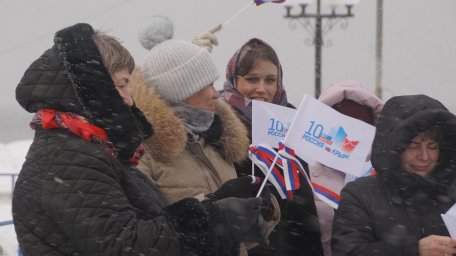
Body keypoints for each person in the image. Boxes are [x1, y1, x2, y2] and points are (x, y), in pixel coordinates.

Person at [13, 23, 268, 256]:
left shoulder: (95, 149)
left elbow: (147, 221)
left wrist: (213, 204)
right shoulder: (66, 159)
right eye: (123, 84)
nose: (129, 98)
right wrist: (214, 218)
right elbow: (125, 245)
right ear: (96, 86)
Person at [134, 17, 279, 255]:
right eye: (207, 85)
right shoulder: (145, 150)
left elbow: (238, 240)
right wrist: (214, 209)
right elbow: (147, 236)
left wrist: (262, 211)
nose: (216, 94)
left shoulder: (215, 139)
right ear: (181, 91)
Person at [220, 37, 324, 256]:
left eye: (270, 80)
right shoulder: (220, 125)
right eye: (252, 79)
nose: (261, 89)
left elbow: (303, 204)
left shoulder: (292, 125)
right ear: (234, 80)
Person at [332, 94, 456, 256]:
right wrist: (414, 250)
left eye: (432, 146)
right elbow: (348, 252)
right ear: (394, 147)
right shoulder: (360, 195)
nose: (424, 156)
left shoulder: (451, 192)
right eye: (413, 146)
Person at [309, 80, 383, 256]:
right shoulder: (304, 167)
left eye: (359, 124)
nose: (350, 131)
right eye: (343, 123)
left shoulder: (381, 173)